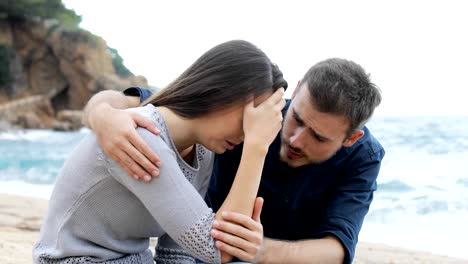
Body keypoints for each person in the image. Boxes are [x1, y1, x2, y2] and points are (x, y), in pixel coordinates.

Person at [85, 58, 384, 263]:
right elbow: (144, 103)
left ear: (350, 139)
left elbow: (337, 250)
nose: (296, 140)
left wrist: (260, 251)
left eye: (318, 137)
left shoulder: (363, 156)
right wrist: (103, 116)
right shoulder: (254, 109)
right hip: (200, 252)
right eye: (297, 119)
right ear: (295, 89)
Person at [33, 40, 288, 264]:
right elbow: (214, 250)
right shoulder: (143, 134)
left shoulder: (201, 152)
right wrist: (257, 146)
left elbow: (176, 254)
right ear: (223, 92)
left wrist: (240, 241)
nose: (247, 135)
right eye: (252, 120)